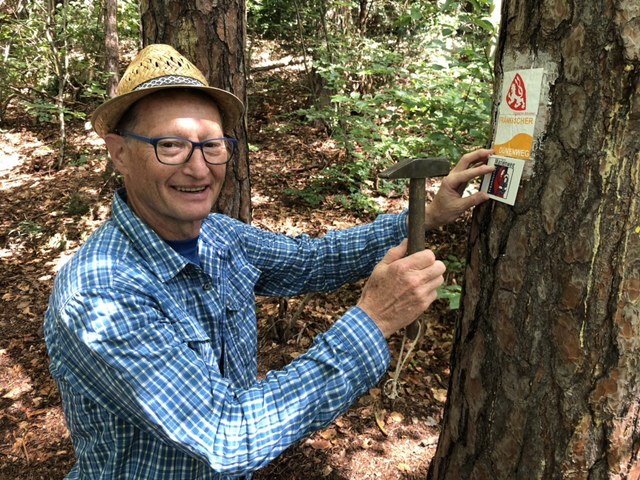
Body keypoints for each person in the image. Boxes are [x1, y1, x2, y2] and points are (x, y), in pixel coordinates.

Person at [44, 44, 494, 479]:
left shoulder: (218, 236)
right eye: (171, 145)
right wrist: (372, 321)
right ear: (119, 152)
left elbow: (311, 260)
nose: (199, 168)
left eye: (212, 145)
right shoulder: (100, 292)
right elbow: (225, 435)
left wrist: (427, 215)